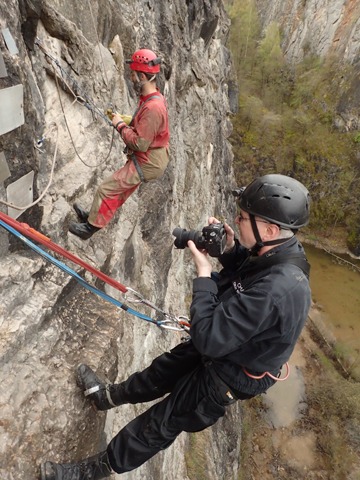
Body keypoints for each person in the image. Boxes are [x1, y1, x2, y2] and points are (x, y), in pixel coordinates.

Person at [41, 174, 312, 479]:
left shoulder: (282, 287)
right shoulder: (275, 253)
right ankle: (105, 398)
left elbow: (210, 337)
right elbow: (245, 277)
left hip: (231, 370)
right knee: (161, 371)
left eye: (242, 217)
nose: (236, 220)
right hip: (228, 340)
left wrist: (204, 274)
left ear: (270, 229)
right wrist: (230, 249)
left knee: (162, 422)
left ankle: (93, 470)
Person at [69, 48, 170, 240]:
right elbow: (147, 127)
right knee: (116, 192)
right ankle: (93, 217)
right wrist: (126, 120)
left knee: (106, 189)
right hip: (153, 157)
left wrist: (120, 125)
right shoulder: (153, 98)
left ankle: (89, 229)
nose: (131, 78)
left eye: (133, 74)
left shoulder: (153, 107)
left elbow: (140, 143)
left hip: (149, 160)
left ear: (142, 76)